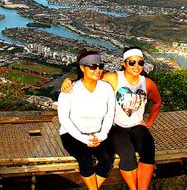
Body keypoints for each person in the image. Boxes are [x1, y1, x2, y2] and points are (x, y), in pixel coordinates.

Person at [62, 47, 161, 190]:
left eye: (140, 63)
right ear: (124, 63)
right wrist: (69, 81)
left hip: (137, 125)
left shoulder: (147, 83)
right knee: (127, 154)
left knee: (148, 151)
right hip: (116, 126)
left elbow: (157, 102)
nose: (136, 66)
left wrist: (150, 122)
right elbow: (89, 78)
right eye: (132, 62)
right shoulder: (113, 78)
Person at [58, 50, 116, 190]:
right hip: (72, 134)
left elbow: (110, 114)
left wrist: (102, 135)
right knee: (85, 160)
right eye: (92, 66)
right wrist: (84, 139)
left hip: (98, 134)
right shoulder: (70, 90)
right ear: (82, 68)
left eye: (100, 66)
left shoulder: (106, 88)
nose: (98, 70)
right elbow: (64, 119)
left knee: (108, 160)